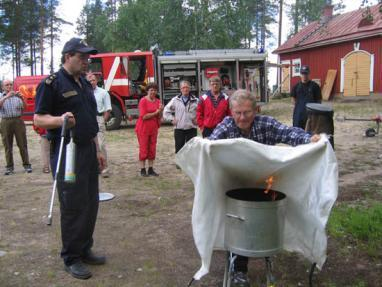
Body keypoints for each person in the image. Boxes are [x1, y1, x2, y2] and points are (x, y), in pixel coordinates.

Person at [209, 89, 321, 287]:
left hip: (263, 185)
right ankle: (239, 269)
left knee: (262, 220)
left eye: (247, 112)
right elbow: (210, 146)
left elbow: (289, 133)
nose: (242, 117)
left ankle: (266, 249)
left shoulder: (266, 124)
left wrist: (308, 139)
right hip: (237, 185)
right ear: (231, 112)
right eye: (237, 113)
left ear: (256, 110)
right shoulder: (226, 126)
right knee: (239, 223)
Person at [34, 37, 106, 280]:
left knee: (90, 201)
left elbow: (90, 119)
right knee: (73, 205)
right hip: (67, 151)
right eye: (82, 57)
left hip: (87, 149)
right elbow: (38, 119)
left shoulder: (85, 84)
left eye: (88, 57)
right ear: (68, 57)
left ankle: (85, 249)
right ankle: (71, 256)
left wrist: (97, 149)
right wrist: (60, 120)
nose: (87, 61)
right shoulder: (51, 84)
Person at [0, 79, 32, 175]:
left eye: (10, 85)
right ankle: (9, 167)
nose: (9, 87)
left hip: (18, 120)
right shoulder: (1, 96)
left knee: (22, 144)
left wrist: (23, 99)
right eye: (7, 85)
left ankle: (27, 165)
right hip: (5, 121)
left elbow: (26, 108)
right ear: (2, 87)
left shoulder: (17, 96)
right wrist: (6, 97)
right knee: (7, 145)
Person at [163, 80, 198, 155]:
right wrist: (172, 119)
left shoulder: (196, 100)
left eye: (187, 87)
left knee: (191, 148)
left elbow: (202, 112)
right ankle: (179, 164)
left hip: (191, 128)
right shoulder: (175, 100)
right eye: (183, 87)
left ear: (190, 88)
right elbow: (166, 111)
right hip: (179, 128)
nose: (185, 89)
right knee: (179, 148)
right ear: (180, 89)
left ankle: (190, 165)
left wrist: (197, 119)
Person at [135, 82, 163, 177]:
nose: (153, 92)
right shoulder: (143, 101)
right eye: (151, 90)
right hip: (143, 128)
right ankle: (142, 170)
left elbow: (159, 116)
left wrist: (160, 111)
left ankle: (151, 169)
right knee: (143, 148)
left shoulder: (158, 101)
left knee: (152, 148)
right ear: (147, 91)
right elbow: (144, 116)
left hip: (153, 128)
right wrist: (156, 112)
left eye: (155, 90)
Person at [87, 73, 112, 178]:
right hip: (86, 119)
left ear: (96, 81)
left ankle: (104, 168)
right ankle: (92, 168)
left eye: (93, 80)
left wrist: (102, 121)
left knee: (100, 144)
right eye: (89, 80)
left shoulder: (103, 93)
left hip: (98, 118)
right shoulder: (83, 92)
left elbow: (108, 109)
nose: (91, 82)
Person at [291, 65, 322, 129]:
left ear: (309, 74)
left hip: (311, 116)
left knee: (309, 135)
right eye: (303, 73)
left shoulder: (315, 86)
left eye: (306, 73)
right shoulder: (296, 87)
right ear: (300, 74)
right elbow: (293, 101)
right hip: (298, 116)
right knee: (297, 134)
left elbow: (319, 101)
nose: (304, 75)